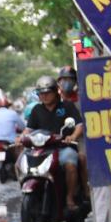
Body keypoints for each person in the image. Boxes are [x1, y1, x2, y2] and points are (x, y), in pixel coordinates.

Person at [21, 74, 85, 210]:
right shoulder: (36, 110)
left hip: (63, 148)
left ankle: (70, 197)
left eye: (47, 93)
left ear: (56, 91)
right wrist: (20, 138)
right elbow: (28, 129)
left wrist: (72, 136)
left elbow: (79, 125)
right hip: (42, 151)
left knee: (71, 164)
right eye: (41, 93)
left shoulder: (67, 106)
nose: (44, 96)